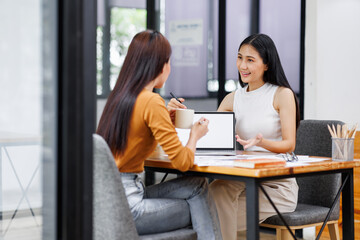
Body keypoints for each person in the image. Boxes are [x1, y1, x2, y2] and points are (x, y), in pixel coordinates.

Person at [167, 33, 299, 240]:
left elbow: (289, 144)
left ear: (266, 64)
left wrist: (261, 142)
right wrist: (177, 116)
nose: (242, 66)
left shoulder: (282, 94)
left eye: (250, 60)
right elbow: (209, 136)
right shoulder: (232, 99)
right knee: (215, 193)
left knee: (204, 216)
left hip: (275, 185)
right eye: (240, 58)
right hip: (243, 180)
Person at [96, 30, 222, 240]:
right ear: (159, 65)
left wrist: (165, 118)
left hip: (108, 203)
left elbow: (136, 139)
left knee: (196, 185)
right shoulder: (151, 101)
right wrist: (194, 135)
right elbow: (183, 162)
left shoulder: (119, 97)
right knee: (197, 203)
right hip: (131, 208)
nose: (169, 68)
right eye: (168, 62)